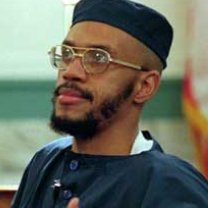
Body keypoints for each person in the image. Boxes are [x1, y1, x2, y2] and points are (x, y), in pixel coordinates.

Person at [11, 0, 208, 207]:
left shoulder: (173, 188)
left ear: (145, 86)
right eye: (67, 54)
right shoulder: (46, 161)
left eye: (98, 58)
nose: (70, 72)